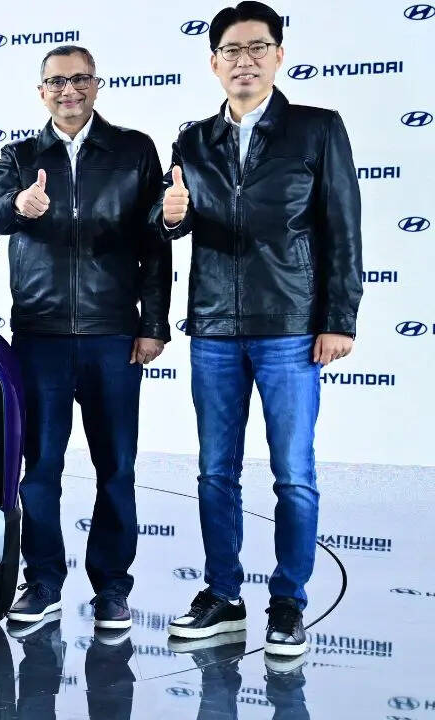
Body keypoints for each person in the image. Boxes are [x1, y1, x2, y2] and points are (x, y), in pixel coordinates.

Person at [155, 1, 362, 657]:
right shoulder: (192, 140)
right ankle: (222, 595)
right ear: (213, 63)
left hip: (290, 327)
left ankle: (288, 602)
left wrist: (338, 319)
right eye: (231, 51)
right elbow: (175, 223)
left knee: (293, 474)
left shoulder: (317, 129)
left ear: (278, 55)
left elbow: (343, 230)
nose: (244, 61)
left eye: (257, 48)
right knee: (215, 472)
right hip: (214, 327)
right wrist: (171, 216)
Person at [0, 45, 171, 631]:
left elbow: (156, 242)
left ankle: (112, 587)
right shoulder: (20, 155)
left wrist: (153, 323)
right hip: (40, 336)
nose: (69, 90)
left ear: (96, 84)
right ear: (41, 92)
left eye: (80, 79)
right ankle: (42, 582)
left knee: (116, 466)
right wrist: (20, 204)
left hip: (113, 334)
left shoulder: (134, 150)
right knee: (39, 468)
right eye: (57, 81)